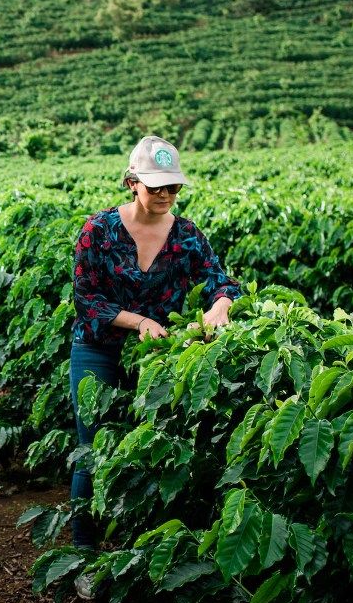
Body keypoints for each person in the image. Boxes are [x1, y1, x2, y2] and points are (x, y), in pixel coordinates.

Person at [69, 135, 241, 548]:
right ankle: (84, 549)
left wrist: (221, 306)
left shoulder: (187, 235)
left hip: (158, 355)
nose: (165, 194)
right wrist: (139, 320)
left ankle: (137, 546)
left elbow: (222, 281)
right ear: (132, 183)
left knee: (151, 445)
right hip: (99, 348)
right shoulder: (98, 230)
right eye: (155, 186)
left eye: (173, 187)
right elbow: (86, 298)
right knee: (92, 446)